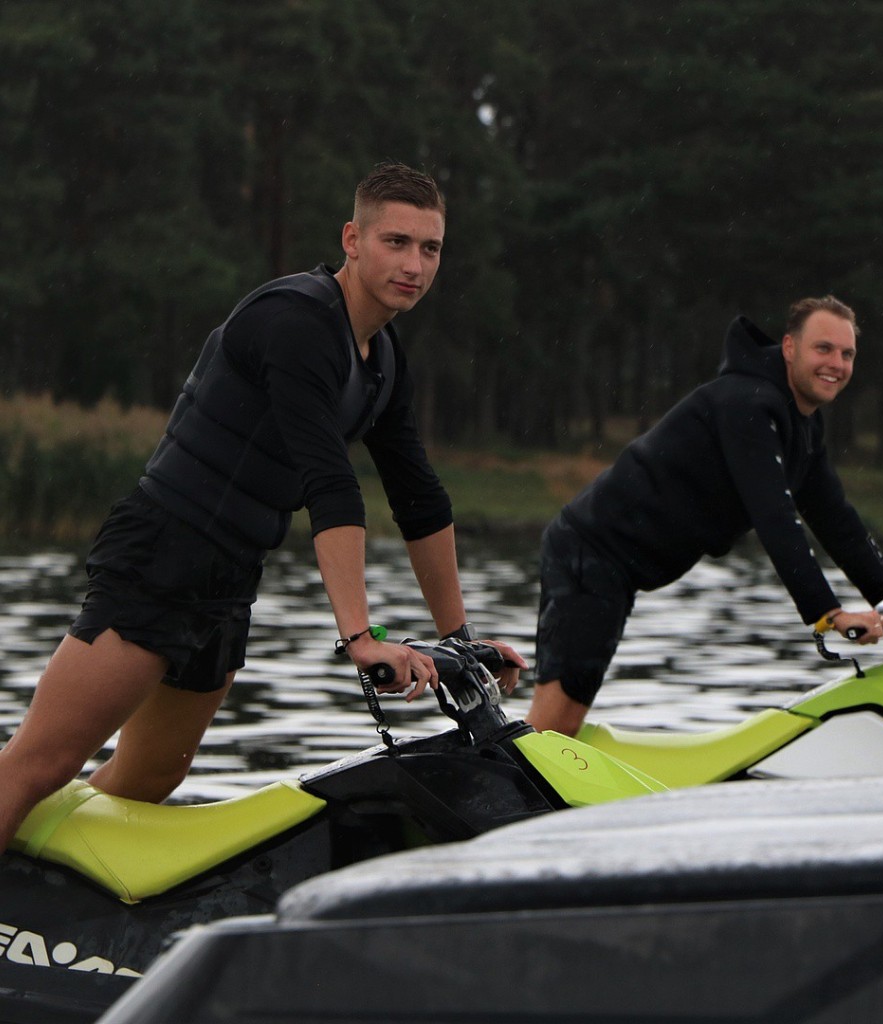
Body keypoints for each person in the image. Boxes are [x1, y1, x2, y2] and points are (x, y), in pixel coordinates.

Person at [0, 162, 524, 851]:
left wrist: (460, 641)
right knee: (39, 764)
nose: (414, 265)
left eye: (429, 249)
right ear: (352, 239)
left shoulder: (382, 359)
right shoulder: (297, 321)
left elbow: (418, 497)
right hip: (160, 553)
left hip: (228, 576)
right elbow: (329, 483)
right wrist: (360, 640)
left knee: (150, 776)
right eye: (396, 242)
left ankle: (40, 898)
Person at [528, 296, 883, 736]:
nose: (836, 364)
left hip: (616, 567)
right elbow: (775, 515)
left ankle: (526, 779)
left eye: (847, 354)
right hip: (591, 550)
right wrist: (829, 615)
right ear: (789, 348)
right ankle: (507, 792)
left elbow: (838, 522)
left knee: (569, 711)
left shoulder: (802, 424)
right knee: (560, 712)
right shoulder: (747, 404)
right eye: (823, 349)